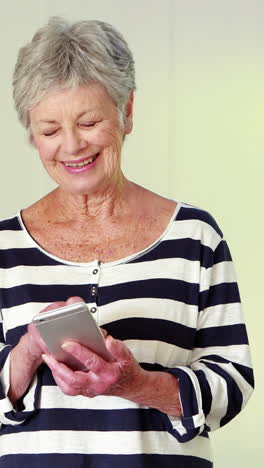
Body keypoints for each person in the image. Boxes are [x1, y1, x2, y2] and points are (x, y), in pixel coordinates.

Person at [0, 17, 254, 468]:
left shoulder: (194, 236)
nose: (72, 146)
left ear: (127, 112)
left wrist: (134, 383)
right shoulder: (3, 246)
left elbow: (232, 383)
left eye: (89, 121)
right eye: (50, 130)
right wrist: (27, 351)